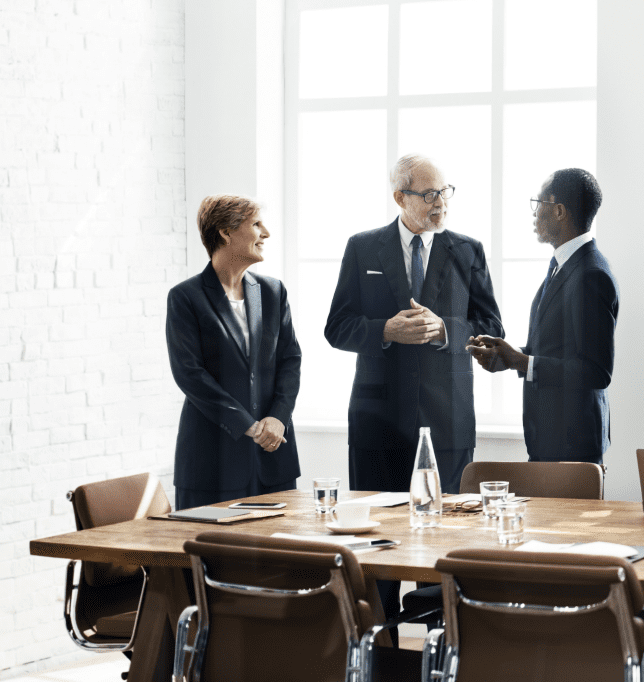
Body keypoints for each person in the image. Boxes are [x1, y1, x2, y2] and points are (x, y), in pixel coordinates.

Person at [324, 154, 503, 627]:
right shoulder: (362, 248)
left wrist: (445, 329)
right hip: (377, 423)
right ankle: (374, 657)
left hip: (448, 422)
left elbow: (491, 326)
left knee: (442, 550)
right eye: (428, 194)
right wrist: (386, 329)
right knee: (375, 546)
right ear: (400, 197)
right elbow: (336, 327)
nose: (440, 202)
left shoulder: (468, 250)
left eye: (445, 192)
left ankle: (441, 662)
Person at [467, 168, 619, 464]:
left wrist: (521, 361)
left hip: (573, 446)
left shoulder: (591, 274)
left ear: (560, 211)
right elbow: (557, 350)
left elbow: (596, 371)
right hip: (551, 440)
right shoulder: (563, 264)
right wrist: (509, 357)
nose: (534, 214)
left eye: (539, 204)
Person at [166, 196, 301, 510]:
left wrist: (279, 419)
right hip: (211, 463)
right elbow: (190, 374)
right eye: (256, 224)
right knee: (211, 556)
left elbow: (290, 359)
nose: (265, 233)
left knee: (278, 554)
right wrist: (249, 426)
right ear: (226, 232)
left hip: (273, 456)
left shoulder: (273, 291)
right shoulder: (185, 297)